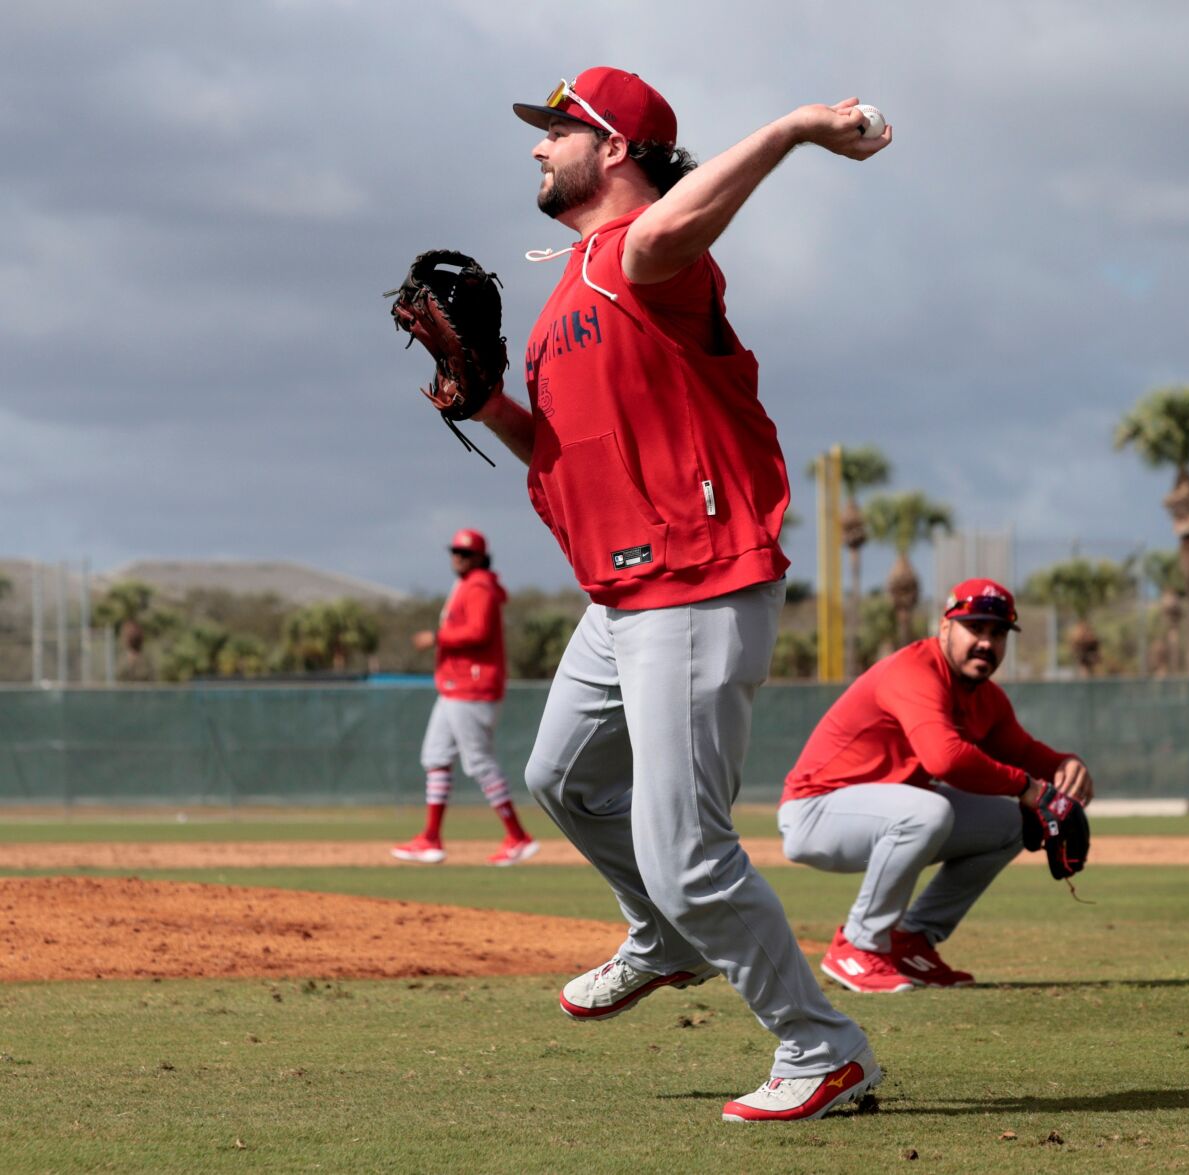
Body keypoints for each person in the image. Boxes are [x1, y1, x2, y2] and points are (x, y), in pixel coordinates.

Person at [462, 67, 891, 1123]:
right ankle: (662, 936)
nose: (537, 146)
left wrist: (796, 127)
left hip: (696, 581)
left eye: (558, 129)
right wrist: (485, 403)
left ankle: (821, 1046)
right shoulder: (574, 287)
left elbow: (669, 225)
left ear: (613, 147)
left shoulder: (645, 255)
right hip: (622, 595)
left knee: (687, 852)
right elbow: (560, 455)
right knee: (561, 778)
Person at [779, 578, 1095, 992]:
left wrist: (1064, 765)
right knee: (928, 812)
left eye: (998, 633)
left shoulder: (986, 698)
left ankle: (911, 941)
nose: (986, 642)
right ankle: (858, 945)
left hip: (883, 813)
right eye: (975, 628)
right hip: (816, 812)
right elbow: (945, 759)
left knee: (1010, 823)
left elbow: (1022, 751)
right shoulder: (915, 671)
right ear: (945, 628)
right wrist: (1028, 788)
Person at [392, 529, 539, 866]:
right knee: (435, 756)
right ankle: (430, 839)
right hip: (454, 685)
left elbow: (478, 631)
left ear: (479, 557)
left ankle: (518, 836)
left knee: (479, 762)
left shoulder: (480, 585)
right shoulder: (468, 584)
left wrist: (437, 637)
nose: (458, 557)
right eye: (455, 551)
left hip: (472, 686)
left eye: (465, 553)